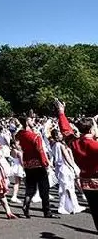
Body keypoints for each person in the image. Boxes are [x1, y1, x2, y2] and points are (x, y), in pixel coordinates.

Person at [55, 98, 98, 231]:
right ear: (91, 129)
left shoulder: (75, 143)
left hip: (85, 182)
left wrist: (61, 113)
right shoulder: (95, 146)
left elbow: (65, 130)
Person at [15, 113, 58, 219]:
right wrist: (45, 163)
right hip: (38, 164)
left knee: (30, 187)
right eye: (31, 120)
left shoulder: (21, 134)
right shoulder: (35, 137)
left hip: (27, 163)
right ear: (27, 123)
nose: (33, 121)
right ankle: (46, 210)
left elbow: (16, 138)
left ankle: (26, 204)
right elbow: (40, 151)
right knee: (44, 188)